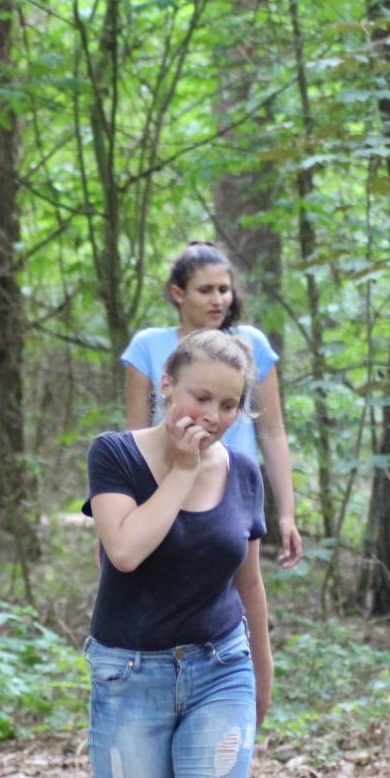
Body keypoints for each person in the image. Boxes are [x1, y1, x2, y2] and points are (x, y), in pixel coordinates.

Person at [82, 329, 274, 778]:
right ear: (166, 385)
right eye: (201, 397)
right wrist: (183, 471)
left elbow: (249, 582)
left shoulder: (243, 473)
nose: (213, 416)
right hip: (130, 676)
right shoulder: (115, 454)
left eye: (229, 405)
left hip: (222, 670)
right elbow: (125, 551)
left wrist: (262, 676)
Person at [123, 240, 303, 569]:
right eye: (205, 290)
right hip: (166, 484)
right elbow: (133, 438)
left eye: (224, 289)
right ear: (178, 293)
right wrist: (119, 517)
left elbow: (273, 432)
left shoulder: (251, 344)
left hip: (232, 489)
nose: (218, 300)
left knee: (238, 584)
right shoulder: (147, 346)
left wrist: (287, 514)